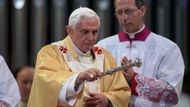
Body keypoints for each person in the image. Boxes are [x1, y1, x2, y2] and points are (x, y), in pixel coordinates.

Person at [28, 7, 131, 107]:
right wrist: (77, 78)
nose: (91, 38)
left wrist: (107, 100)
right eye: (85, 32)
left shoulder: (105, 56)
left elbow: (122, 90)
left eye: (94, 32)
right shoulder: (50, 53)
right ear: (69, 30)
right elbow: (45, 84)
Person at [97, 0, 185, 106]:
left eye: (129, 11)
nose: (124, 18)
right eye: (120, 12)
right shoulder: (103, 47)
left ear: (142, 10)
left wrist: (134, 79)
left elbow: (171, 94)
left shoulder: (168, 48)